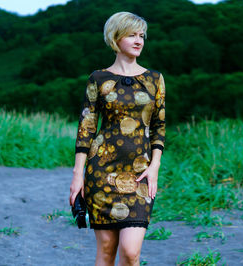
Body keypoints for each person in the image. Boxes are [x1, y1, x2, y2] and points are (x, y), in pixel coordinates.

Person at [69, 11, 165, 266]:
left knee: (131, 253)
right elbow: (86, 128)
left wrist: (154, 166)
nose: (139, 40)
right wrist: (78, 176)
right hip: (101, 173)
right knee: (107, 249)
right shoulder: (98, 79)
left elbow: (159, 126)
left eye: (142, 35)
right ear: (116, 37)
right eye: (132, 35)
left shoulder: (154, 79)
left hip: (140, 174)